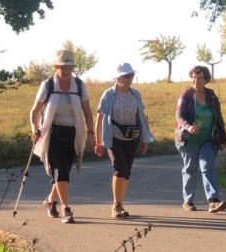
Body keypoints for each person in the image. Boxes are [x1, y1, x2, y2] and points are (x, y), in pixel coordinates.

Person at [30, 49, 94, 224]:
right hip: (53, 134)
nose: (67, 71)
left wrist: (90, 133)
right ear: (57, 67)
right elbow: (35, 111)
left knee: (63, 170)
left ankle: (51, 201)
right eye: (64, 67)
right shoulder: (48, 85)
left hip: (73, 133)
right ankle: (66, 208)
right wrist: (35, 128)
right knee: (61, 170)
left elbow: (87, 111)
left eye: (70, 67)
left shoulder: (79, 86)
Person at [94, 63, 155, 219]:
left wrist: (145, 139)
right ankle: (116, 205)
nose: (129, 79)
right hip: (113, 137)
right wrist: (98, 142)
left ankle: (120, 203)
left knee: (126, 171)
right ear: (118, 77)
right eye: (126, 76)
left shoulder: (136, 94)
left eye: (131, 76)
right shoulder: (108, 94)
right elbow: (100, 118)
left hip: (132, 137)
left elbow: (141, 117)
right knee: (120, 168)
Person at [175, 65, 226, 213]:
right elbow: (179, 117)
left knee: (207, 167)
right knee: (190, 169)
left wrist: (223, 137)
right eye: (193, 77)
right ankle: (188, 201)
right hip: (188, 139)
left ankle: (213, 201)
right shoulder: (186, 95)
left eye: (199, 77)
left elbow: (218, 117)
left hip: (208, 139)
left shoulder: (211, 95)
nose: (195, 80)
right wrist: (188, 127)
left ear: (206, 79)